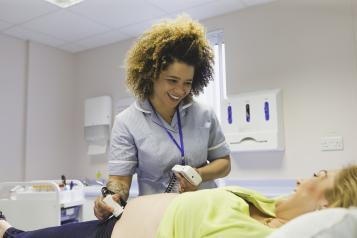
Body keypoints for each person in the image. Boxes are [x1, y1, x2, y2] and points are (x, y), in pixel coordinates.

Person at [94, 15, 231, 220]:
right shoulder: (127, 122)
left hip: (205, 213)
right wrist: (111, 199)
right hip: (158, 218)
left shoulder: (204, 114)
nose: (180, 90)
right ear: (151, 74)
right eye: (172, 80)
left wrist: (200, 174)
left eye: (187, 82)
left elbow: (224, 163)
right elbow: (120, 181)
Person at [1, 164, 356, 238]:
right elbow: (119, 176)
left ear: (327, 206)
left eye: (320, 176)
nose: (303, 177)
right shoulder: (266, 202)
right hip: (114, 221)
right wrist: (112, 196)